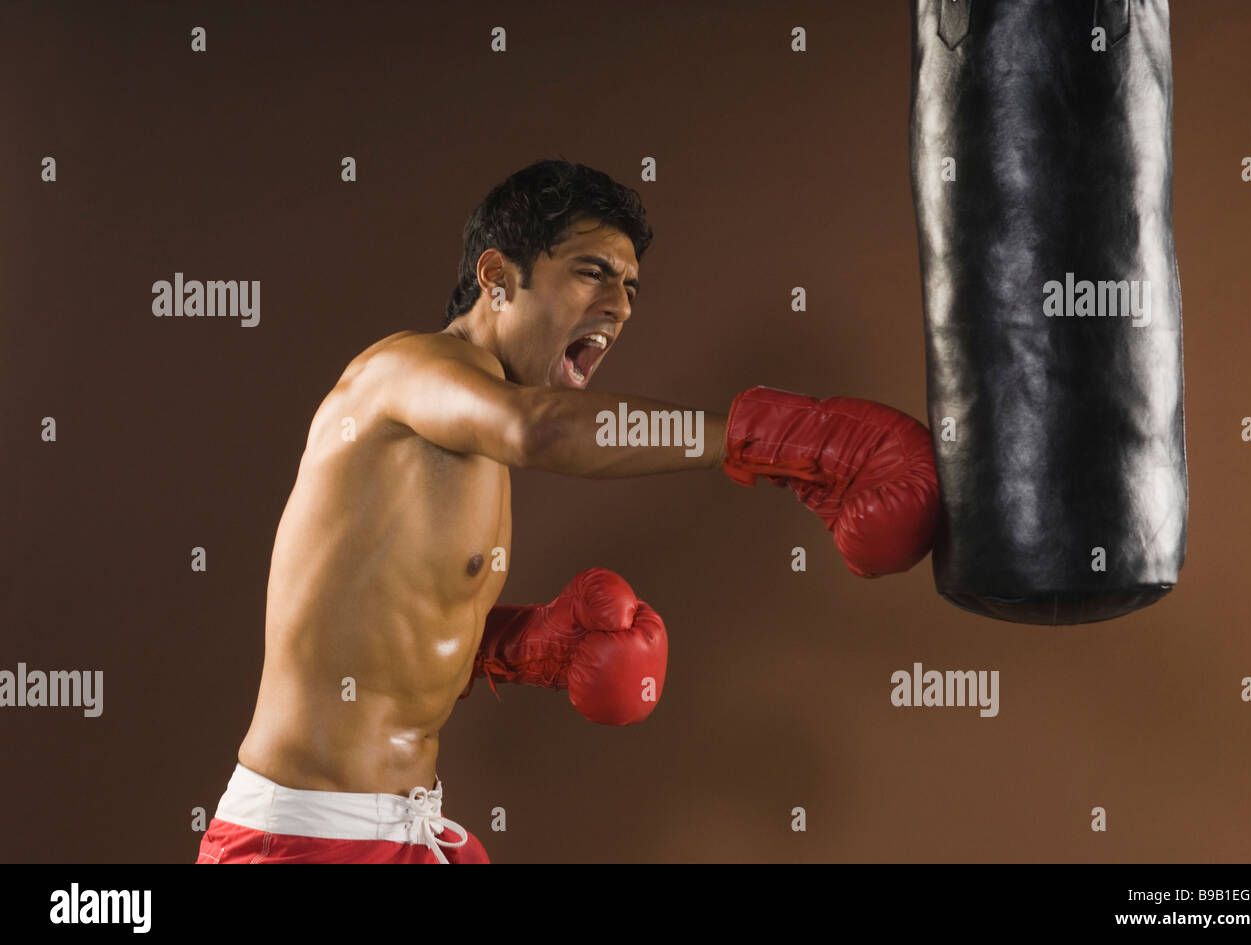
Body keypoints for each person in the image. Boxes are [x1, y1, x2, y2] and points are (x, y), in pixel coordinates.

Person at [196, 159, 938, 864]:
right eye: (592, 272)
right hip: (298, 842)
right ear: (496, 278)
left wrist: (525, 646)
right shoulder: (405, 370)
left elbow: (382, 629)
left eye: (630, 289)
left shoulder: (464, 435)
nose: (616, 305)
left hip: (403, 834)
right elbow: (540, 428)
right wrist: (785, 439)